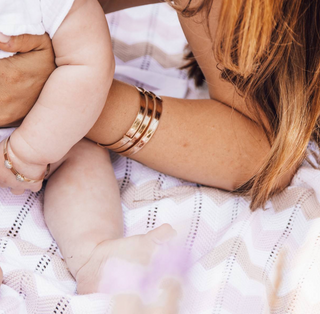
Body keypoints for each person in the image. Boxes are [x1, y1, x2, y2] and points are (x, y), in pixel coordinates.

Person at [1, 0, 318, 303]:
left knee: (81, 155)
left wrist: (32, 142)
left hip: (38, 131)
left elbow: (89, 60)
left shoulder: (59, 6)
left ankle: (92, 253)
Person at [0, 0, 176, 295]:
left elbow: (89, 64)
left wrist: (27, 150)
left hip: (31, 132)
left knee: (82, 149)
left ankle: (94, 253)